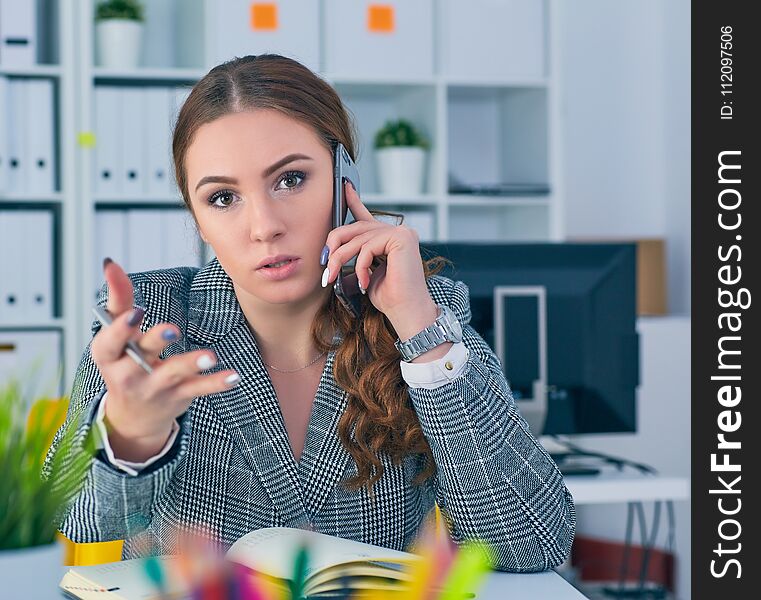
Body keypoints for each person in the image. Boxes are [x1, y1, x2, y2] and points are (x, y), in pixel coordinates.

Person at [45, 54, 575, 571]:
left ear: (346, 183)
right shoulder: (153, 321)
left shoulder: (422, 316)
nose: (264, 225)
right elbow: (77, 517)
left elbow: (534, 543)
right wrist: (131, 437)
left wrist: (419, 328)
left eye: (291, 179)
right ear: (198, 220)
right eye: (223, 198)